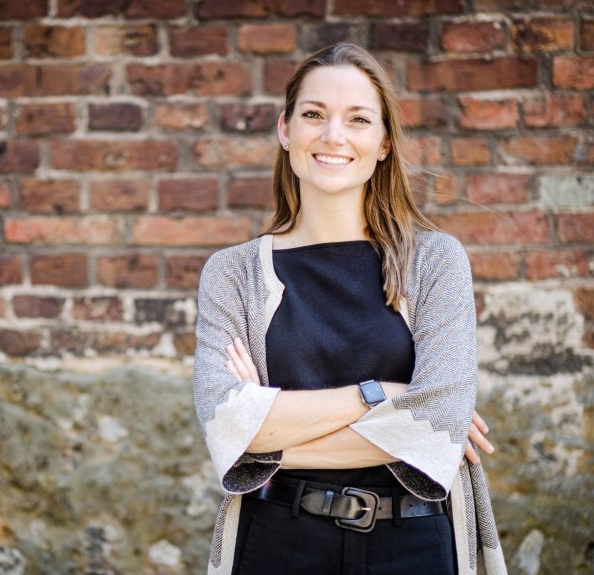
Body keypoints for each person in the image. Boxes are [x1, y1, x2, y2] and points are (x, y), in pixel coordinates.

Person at [192, 43, 507, 575]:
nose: (333, 135)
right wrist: (382, 396)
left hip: (413, 540)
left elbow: (434, 432)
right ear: (285, 130)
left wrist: (265, 438)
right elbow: (226, 428)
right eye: (314, 114)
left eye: (357, 119)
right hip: (275, 542)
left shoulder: (435, 262)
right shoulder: (233, 274)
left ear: (384, 142)